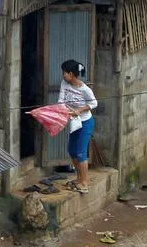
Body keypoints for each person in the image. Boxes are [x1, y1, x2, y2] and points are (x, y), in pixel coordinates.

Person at [59, 59, 97, 194]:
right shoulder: (65, 84)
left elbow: (94, 104)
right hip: (74, 121)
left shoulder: (84, 89)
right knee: (72, 150)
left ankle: (84, 183)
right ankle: (79, 179)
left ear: (71, 74)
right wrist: (62, 111)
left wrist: (79, 110)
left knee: (81, 152)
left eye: (64, 73)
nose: (63, 75)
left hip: (85, 122)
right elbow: (61, 101)